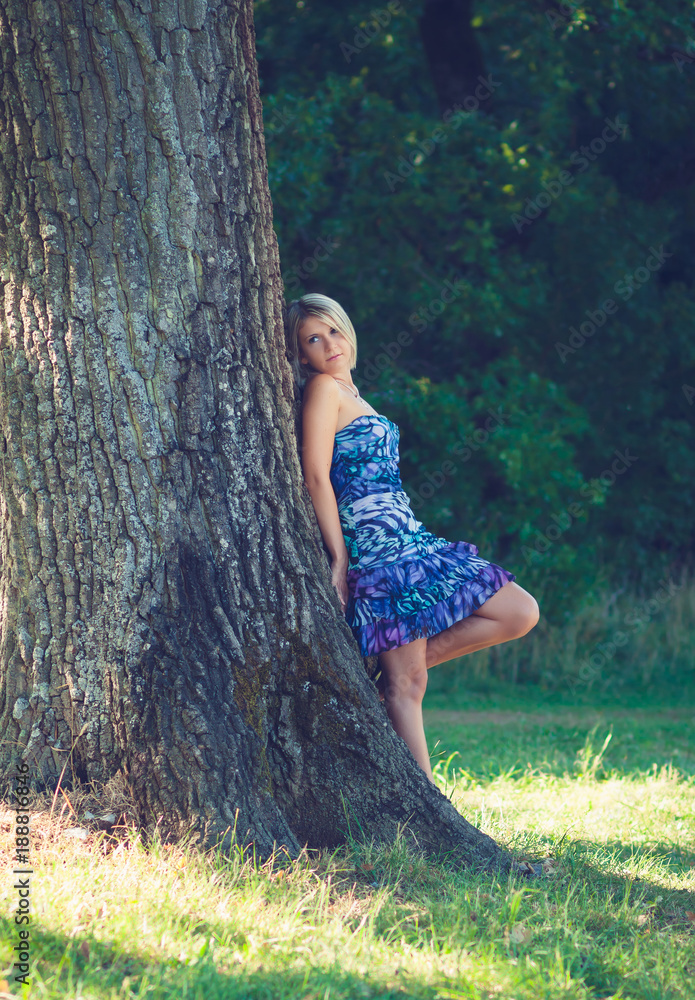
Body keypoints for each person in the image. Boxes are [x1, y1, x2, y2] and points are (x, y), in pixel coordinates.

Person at [287, 292, 539, 781]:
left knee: (519, 612)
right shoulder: (323, 388)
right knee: (408, 686)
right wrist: (339, 559)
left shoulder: (354, 394)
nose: (329, 344)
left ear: (347, 331)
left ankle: (389, 676)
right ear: (301, 355)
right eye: (313, 339)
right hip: (377, 551)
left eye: (333, 331)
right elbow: (316, 474)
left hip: (410, 539)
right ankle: (427, 801)